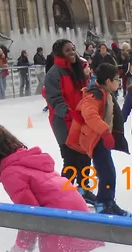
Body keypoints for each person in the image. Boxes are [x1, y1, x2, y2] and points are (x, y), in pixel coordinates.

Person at [0, 124, 102, 252]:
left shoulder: (11, 173)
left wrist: (19, 247)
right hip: (76, 211)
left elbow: (30, 214)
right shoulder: (25, 159)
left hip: (59, 219)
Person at [66, 63, 131, 217]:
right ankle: (104, 203)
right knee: (107, 172)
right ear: (108, 81)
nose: (119, 82)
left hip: (98, 137)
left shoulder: (104, 92)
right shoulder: (95, 95)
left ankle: (106, 201)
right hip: (96, 138)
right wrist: (105, 132)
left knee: (107, 171)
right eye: (116, 79)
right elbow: (90, 115)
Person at [42, 39, 94, 203]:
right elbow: (55, 99)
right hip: (63, 121)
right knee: (71, 159)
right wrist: (71, 114)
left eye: (73, 49)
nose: (72, 53)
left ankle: (84, 189)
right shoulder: (54, 74)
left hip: (81, 119)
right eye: (67, 50)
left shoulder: (79, 69)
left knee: (85, 156)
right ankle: (61, 194)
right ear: (59, 53)